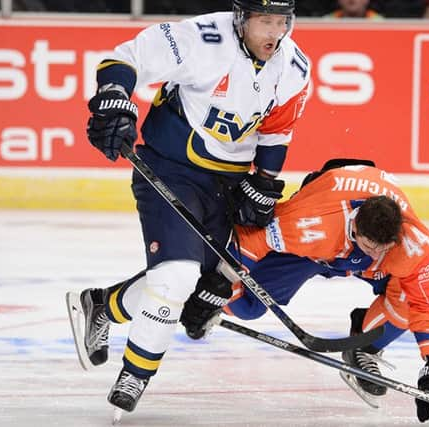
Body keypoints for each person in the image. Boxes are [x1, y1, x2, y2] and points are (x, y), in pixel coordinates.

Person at [67, 0, 310, 414]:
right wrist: (113, 95)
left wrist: (265, 182)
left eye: (281, 22)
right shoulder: (203, 38)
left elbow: (276, 130)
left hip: (228, 183)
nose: (273, 32)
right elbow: (126, 58)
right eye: (264, 21)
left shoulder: (294, 65)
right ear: (241, 18)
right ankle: (135, 377)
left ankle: (101, 306)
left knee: (197, 280)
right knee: (177, 275)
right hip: (171, 168)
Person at [181, 160, 429, 426]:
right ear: (355, 225)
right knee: (247, 306)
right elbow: (251, 238)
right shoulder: (310, 223)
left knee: (409, 297)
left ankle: (362, 346)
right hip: (315, 250)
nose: (378, 252)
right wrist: (216, 288)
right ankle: (187, 287)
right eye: (371, 245)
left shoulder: (412, 243)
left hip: (358, 253)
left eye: (385, 247)